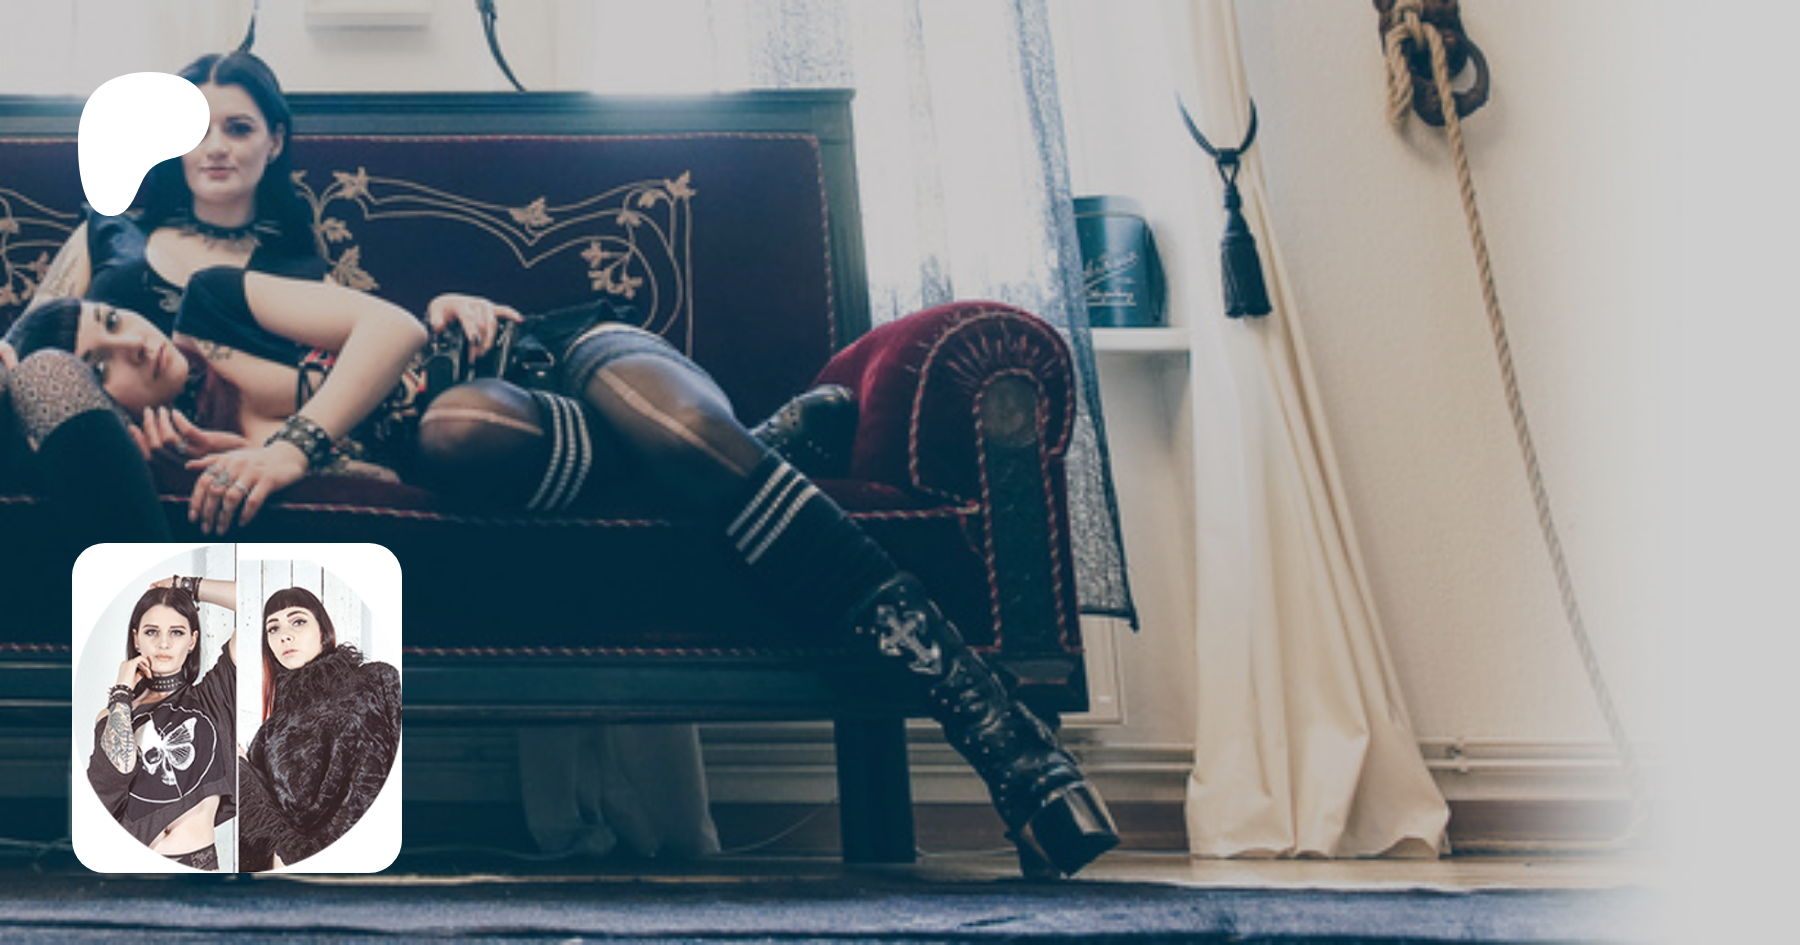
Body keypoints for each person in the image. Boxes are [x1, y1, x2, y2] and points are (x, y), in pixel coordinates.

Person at [0, 50, 518, 544]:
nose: (215, 147)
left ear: (274, 142)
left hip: (186, 453)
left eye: (238, 128)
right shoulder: (110, 232)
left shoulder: (298, 267)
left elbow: (373, 355)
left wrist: (438, 312)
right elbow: (32, 345)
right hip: (77, 425)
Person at [238, 586, 400, 871]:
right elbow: (262, 824)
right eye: (273, 628)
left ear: (323, 630)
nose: (284, 635)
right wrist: (242, 769)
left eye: (298, 621)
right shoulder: (271, 732)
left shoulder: (376, 680)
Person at [86, 577, 236, 871]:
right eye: (151, 631)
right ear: (136, 639)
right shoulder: (114, 714)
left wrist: (189, 585)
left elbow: (256, 605)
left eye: (176, 632)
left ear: (192, 641)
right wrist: (122, 691)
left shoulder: (212, 696)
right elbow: (115, 774)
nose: (163, 643)